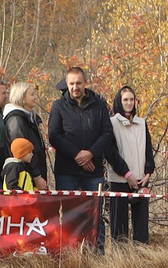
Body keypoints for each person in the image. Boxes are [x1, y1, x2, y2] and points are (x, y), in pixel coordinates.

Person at [47, 65, 118, 250]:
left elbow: (107, 133)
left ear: (85, 82)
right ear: (67, 84)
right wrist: (77, 155)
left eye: (78, 83)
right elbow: (54, 136)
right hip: (66, 171)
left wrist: (90, 154)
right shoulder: (58, 106)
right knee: (68, 215)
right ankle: (68, 254)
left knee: (95, 215)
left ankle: (97, 255)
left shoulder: (99, 105)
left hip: (93, 171)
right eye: (71, 83)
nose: (75, 87)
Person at [108, 86, 155, 244]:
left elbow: (148, 149)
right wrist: (127, 174)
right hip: (120, 179)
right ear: (119, 101)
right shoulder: (112, 123)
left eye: (132, 99)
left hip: (141, 179)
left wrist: (148, 173)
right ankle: (120, 257)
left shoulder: (141, 123)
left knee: (141, 227)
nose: (129, 103)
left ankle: (141, 255)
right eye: (125, 100)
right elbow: (111, 153)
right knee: (119, 227)